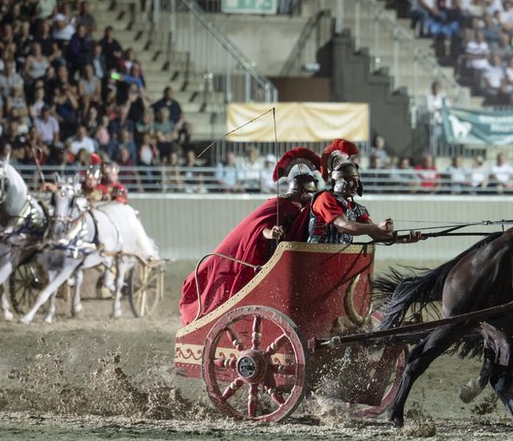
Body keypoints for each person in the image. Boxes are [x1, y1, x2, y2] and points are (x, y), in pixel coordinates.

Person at [177, 148, 322, 325]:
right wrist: (271, 233)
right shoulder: (279, 205)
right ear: (301, 192)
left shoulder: (297, 209)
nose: (311, 197)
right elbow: (259, 227)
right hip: (252, 252)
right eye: (309, 193)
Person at [299, 139, 423, 245]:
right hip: (316, 255)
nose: (357, 185)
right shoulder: (325, 198)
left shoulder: (354, 207)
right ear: (340, 181)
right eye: (352, 180)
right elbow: (344, 226)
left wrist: (405, 239)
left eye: (358, 180)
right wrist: (375, 227)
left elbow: (377, 234)